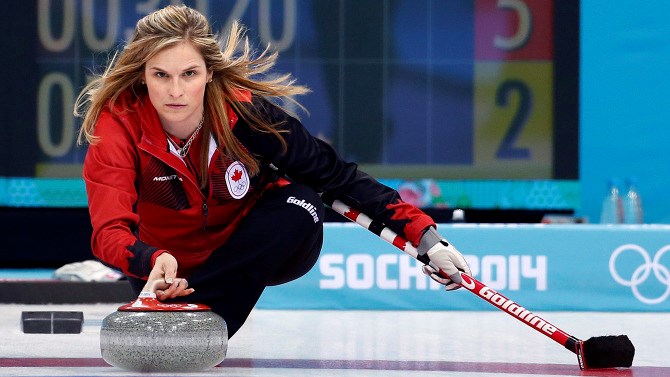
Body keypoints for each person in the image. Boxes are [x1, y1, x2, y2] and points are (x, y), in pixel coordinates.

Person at [75, 5, 471, 338]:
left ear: (209, 73)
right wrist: (150, 259)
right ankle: (181, 309)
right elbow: (109, 233)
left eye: (189, 74)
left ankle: (203, 325)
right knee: (160, 280)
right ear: (142, 75)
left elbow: (337, 176)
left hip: (251, 250)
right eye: (161, 75)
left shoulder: (245, 113)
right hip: (164, 265)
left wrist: (427, 238)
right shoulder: (117, 127)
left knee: (303, 200)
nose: (175, 91)